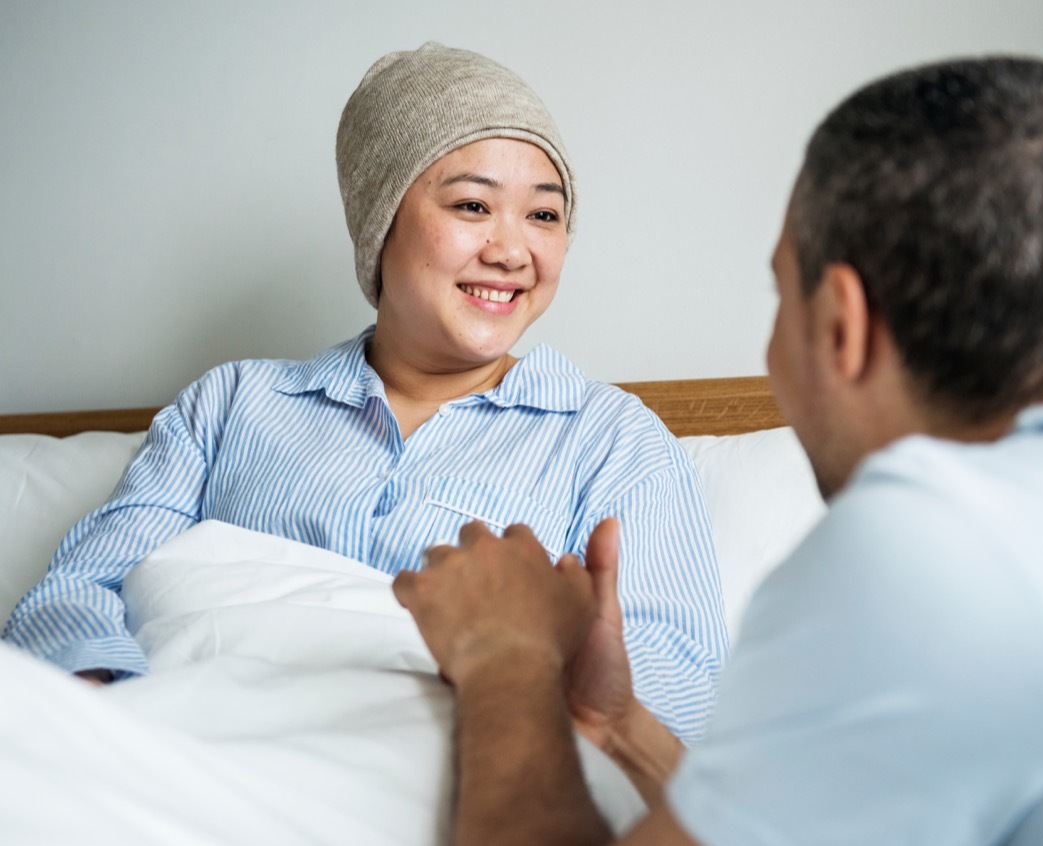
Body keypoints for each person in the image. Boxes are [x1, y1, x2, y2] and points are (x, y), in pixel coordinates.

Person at [394, 56, 1043, 844]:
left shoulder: (925, 556)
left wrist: (507, 657)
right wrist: (619, 724)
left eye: (781, 293)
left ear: (842, 323)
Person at [2, 43, 728, 743]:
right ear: (380, 224)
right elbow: (75, 593)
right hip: (188, 761)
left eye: (544, 214)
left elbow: (683, 691)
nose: (512, 251)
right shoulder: (228, 407)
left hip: (459, 788)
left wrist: (514, 667)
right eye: (473, 206)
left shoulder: (612, 439)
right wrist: (108, 736)